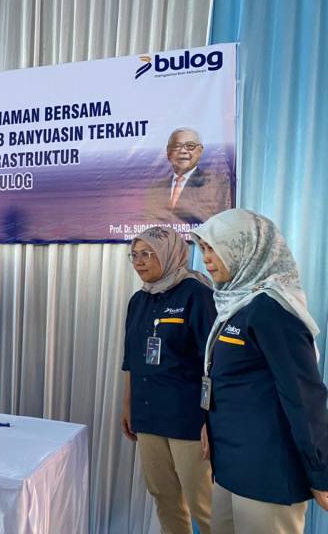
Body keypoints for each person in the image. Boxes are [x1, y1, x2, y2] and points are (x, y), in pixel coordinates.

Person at [193, 209, 328, 534]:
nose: (206, 259)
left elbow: (303, 397)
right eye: (204, 249)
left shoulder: (272, 309)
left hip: (267, 473)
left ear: (246, 248)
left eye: (214, 248)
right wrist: (209, 422)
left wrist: (321, 471)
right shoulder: (234, 304)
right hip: (230, 466)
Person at [121, 226, 215, 534]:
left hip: (188, 420)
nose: (139, 262)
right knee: (163, 497)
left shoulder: (197, 294)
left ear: (169, 253)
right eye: (134, 255)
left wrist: (210, 418)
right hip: (148, 416)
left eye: (147, 254)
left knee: (204, 504)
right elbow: (131, 360)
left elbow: (213, 363)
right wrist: (128, 405)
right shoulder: (138, 300)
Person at [147, 128, 232, 223]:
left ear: (200, 151)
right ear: (168, 152)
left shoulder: (214, 186)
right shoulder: (156, 189)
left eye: (190, 146)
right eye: (177, 146)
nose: (183, 151)